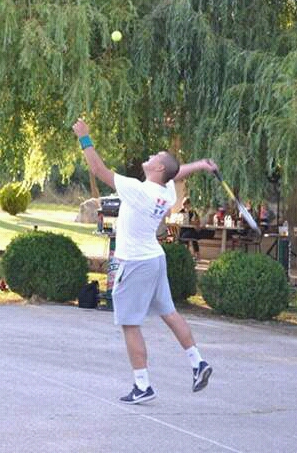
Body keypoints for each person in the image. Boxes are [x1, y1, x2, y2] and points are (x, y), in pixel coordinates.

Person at [72, 119, 215, 405]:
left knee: (130, 324)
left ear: (158, 169)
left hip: (135, 263)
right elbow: (176, 173)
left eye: (155, 157)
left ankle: (142, 385)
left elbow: (98, 170)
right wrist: (200, 164)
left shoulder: (139, 190)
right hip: (154, 260)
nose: (150, 156)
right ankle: (197, 362)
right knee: (169, 313)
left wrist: (84, 138)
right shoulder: (165, 192)